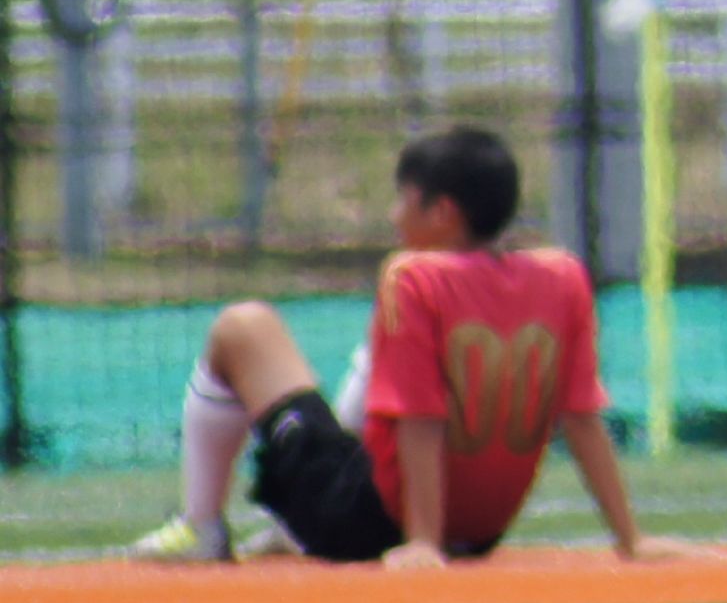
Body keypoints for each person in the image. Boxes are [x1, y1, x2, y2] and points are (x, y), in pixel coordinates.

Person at [128, 124, 669, 569]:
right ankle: (283, 530)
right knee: (359, 385)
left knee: (243, 327)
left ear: (442, 213)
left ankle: (201, 525)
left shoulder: (415, 279)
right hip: (480, 529)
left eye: (404, 200)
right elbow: (581, 416)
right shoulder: (561, 277)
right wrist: (631, 539)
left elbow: (420, 417)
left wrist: (423, 541)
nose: (393, 216)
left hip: (367, 522)